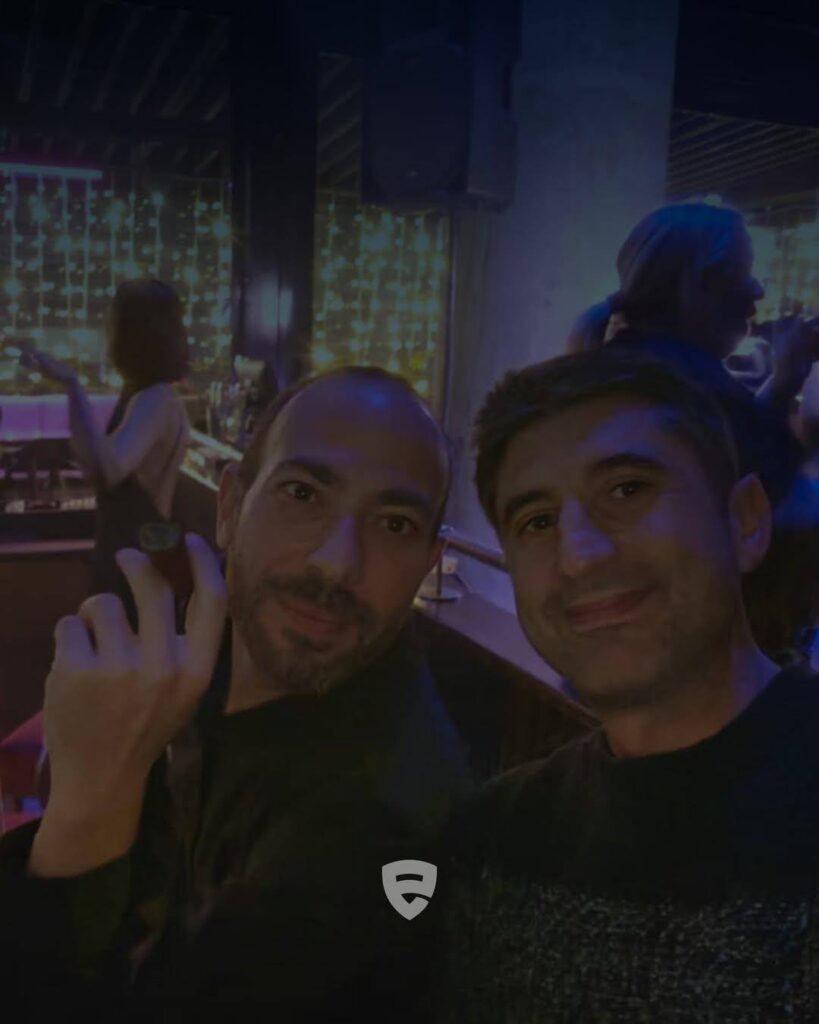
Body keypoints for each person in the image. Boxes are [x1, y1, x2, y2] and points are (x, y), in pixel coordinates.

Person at [0, 366, 471, 1020]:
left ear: (427, 564)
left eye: (394, 524)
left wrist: (89, 809)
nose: (337, 562)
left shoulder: (376, 829)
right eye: (302, 493)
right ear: (229, 507)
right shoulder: (200, 633)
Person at [430, 348, 819, 1022]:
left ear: (746, 521)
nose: (579, 555)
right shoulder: (493, 838)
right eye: (536, 522)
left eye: (627, 490)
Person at [570, 203, 819, 658]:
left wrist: (785, 381)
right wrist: (793, 396)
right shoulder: (675, 385)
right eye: (742, 272)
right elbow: (768, 496)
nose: (758, 289)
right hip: (698, 667)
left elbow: (733, 450)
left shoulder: (640, 367)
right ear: (695, 286)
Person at [23, 278, 191, 627]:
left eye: (114, 324)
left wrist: (72, 383)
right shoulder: (144, 394)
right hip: (131, 557)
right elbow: (94, 462)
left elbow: (110, 469)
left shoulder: (156, 398)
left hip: (138, 564)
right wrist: (69, 387)